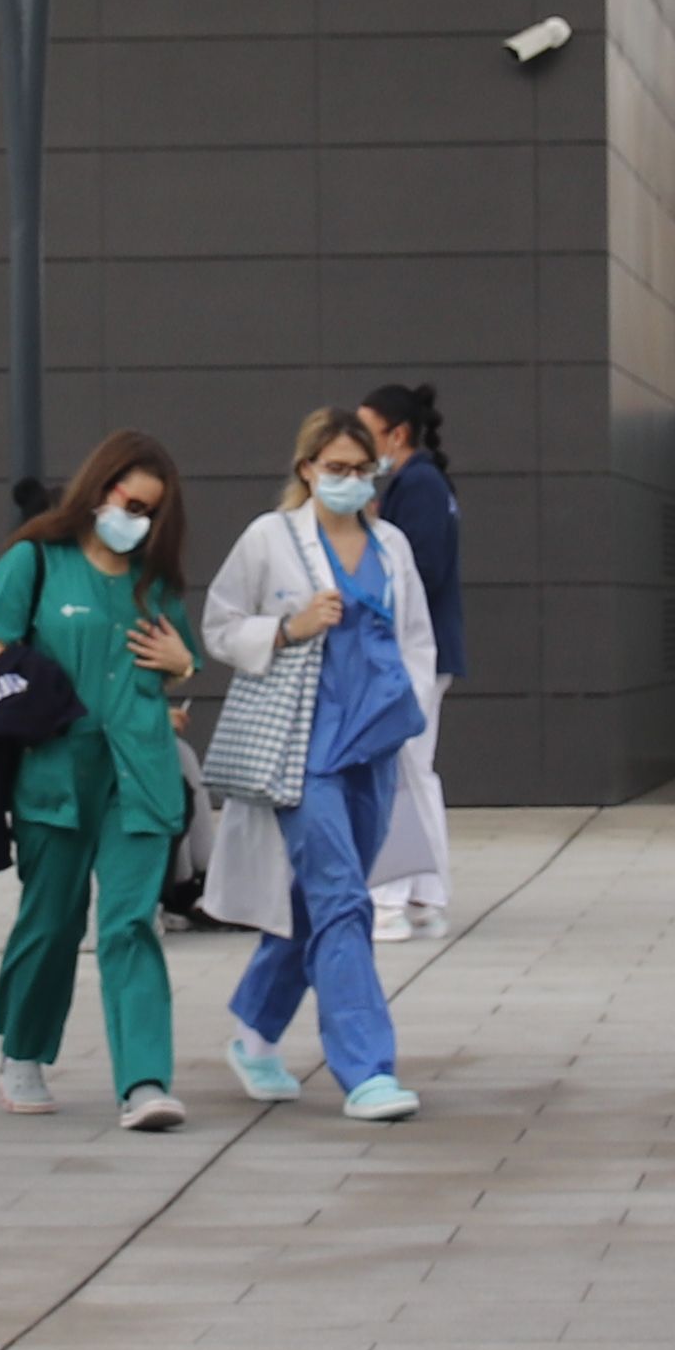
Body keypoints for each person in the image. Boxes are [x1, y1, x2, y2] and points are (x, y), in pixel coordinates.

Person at [197, 406, 442, 1123]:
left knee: (315, 901)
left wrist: (409, 715)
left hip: (374, 746)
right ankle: (367, 1069)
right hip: (305, 753)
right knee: (343, 900)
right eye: (334, 468)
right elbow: (218, 626)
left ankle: (254, 1033)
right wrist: (288, 627)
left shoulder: (391, 544)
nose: (348, 481)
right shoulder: (268, 540)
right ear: (306, 470)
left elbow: (417, 640)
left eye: (361, 470)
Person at [0, 434, 202, 1127]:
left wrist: (184, 664)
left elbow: (177, 666)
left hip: (140, 773)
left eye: (152, 512)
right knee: (52, 920)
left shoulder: (155, 585)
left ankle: (145, 1083)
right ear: (98, 491)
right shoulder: (34, 562)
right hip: (55, 771)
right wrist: (24, 699)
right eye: (130, 502)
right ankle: (25, 1050)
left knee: (131, 923)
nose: (137, 520)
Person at [358, 386, 464, 940]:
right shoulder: (419, 484)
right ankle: (425, 893)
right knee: (416, 774)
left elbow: (418, 575)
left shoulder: (417, 486)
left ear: (395, 434)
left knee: (399, 772)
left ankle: (394, 900)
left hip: (413, 652)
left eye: (366, 431)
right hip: (426, 650)